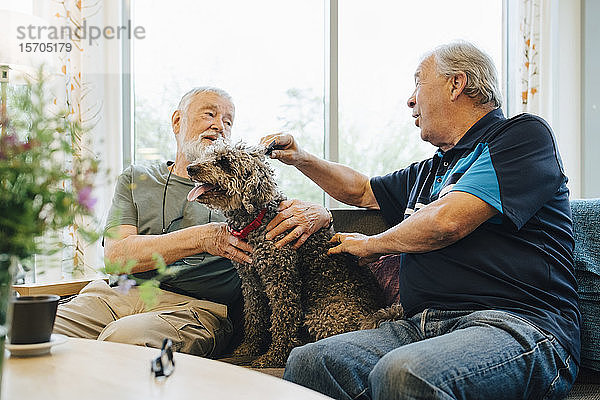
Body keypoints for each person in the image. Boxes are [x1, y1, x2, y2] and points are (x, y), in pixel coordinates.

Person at [260, 41, 581, 399]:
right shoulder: (431, 171)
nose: (410, 100)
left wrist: (372, 244)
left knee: (404, 374)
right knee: (309, 363)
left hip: (517, 325)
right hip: (421, 327)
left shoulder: (521, 137)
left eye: (417, 83)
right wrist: (301, 157)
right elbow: (361, 190)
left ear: (456, 84)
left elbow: (449, 221)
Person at [54, 87, 255, 357]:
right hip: (114, 296)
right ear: (177, 121)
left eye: (228, 121)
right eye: (210, 114)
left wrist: (320, 214)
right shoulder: (136, 178)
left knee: (125, 339)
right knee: (33, 329)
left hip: (196, 309)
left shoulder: (244, 191)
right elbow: (117, 257)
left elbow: (288, 213)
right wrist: (204, 238)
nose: (219, 125)